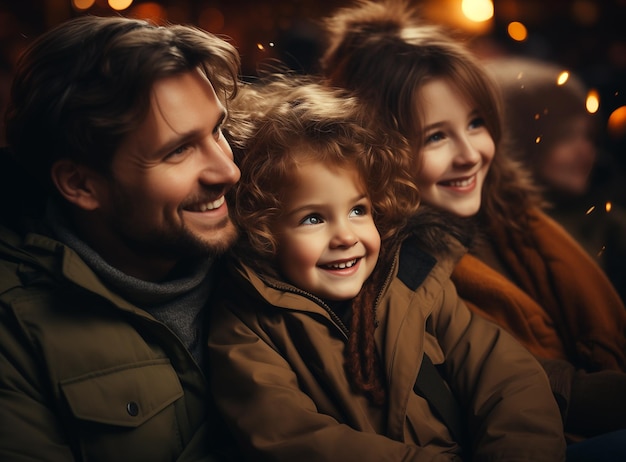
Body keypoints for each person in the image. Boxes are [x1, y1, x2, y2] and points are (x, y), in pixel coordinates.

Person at [320, 0, 626, 453]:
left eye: (476, 123)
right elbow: (529, 385)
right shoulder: (397, 271)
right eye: (436, 136)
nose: (470, 153)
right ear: (380, 151)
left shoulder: (509, 217)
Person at [208, 77, 566, 461]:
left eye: (358, 210)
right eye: (313, 219)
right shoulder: (244, 329)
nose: (346, 236)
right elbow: (295, 440)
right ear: (262, 231)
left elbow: (506, 377)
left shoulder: (414, 284)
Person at [0, 15, 244, 461]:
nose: (228, 170)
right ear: (81, 184)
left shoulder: (279, 241)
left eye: (218, 131)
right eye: (179, 150)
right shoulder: (14, 334)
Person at [485, 56, 626, 303]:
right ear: (518, 142)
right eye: (565, 137)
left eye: (588, 136)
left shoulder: (608, 226)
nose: (586, 150)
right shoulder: (490, 240)